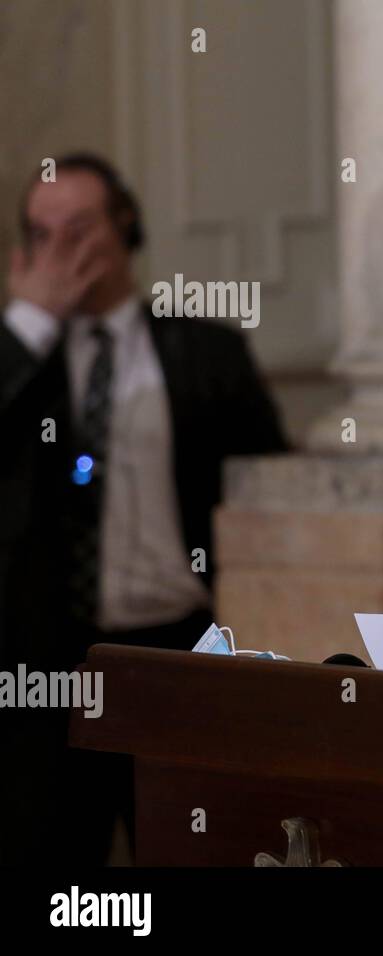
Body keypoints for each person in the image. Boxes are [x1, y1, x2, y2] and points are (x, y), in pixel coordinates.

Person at [0, 153, 288, 864]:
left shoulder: (205, 351)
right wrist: (29, 324)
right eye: (43, 233)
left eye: (80, 227)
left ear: (125, 225)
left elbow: (268, 495)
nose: (61, 249)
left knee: (195, 845)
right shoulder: (18, 357)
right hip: (46, 664)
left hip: (180, 648)